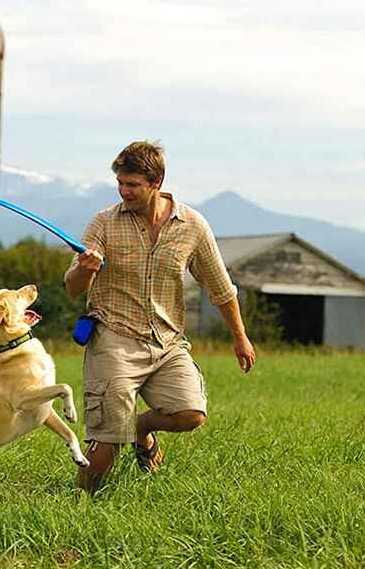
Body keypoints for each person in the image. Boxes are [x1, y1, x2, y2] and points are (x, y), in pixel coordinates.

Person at [64, 140, 255, 492]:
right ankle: (78, 504)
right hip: (113, 339)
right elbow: (73, 287)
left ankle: (137, 428)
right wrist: (86, 269)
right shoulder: (104, 223)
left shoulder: (193, 227)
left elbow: (221, 289)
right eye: (121, 183)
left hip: (167, 343)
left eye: (133, 185)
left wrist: (239, 337)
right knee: (106, 449)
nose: (125, 191)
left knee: (190, 414)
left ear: (157, 182)